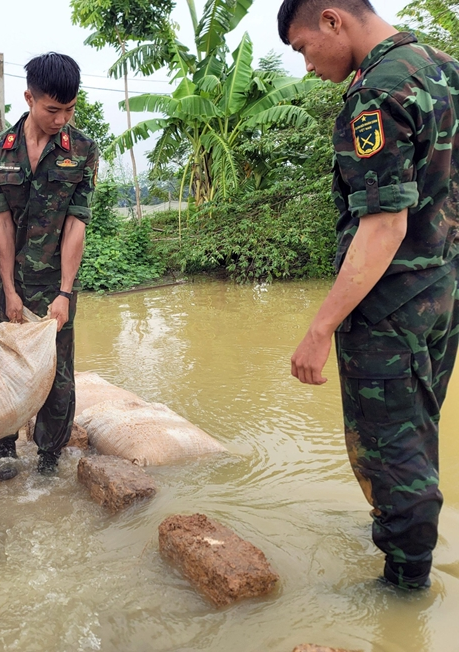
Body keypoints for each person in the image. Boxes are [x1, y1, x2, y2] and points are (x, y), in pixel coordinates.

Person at [279, 0, 459, 590]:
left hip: (388, 310)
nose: (307, 66)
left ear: (333, 20)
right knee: (416, 432)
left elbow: (384, 226)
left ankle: (404, 592)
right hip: (441, 298)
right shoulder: (443, 67)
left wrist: (320, 328)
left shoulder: (376, 93)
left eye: (304, 48)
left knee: (390, 453)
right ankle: (408, 538)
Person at [0, 52, 99, 479]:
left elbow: (77, 222)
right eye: (53, 109)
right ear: (29, 97)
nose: (62, 119)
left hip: (55, 280)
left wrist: (65, 292)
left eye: (70, 109)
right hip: (9, 279)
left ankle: (50, 457)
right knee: (6, 362)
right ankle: (5, 447)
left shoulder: (83, 151)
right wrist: (10, 290)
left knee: (58, 369)